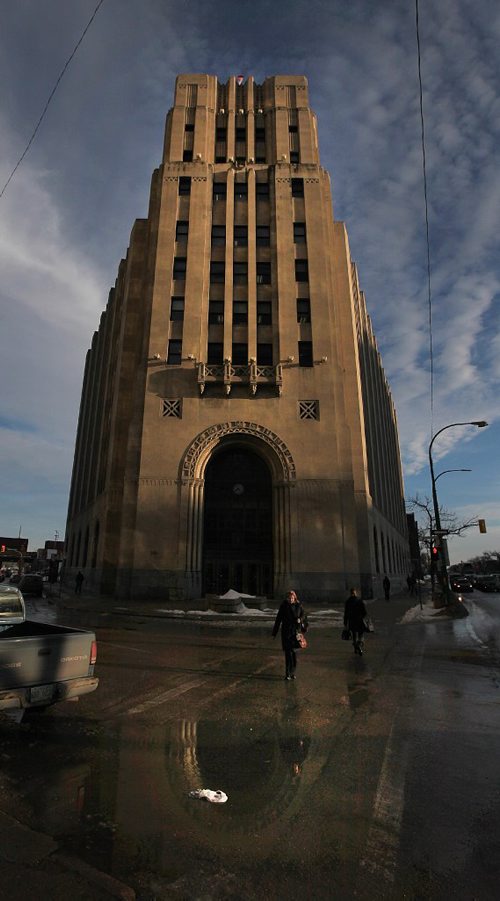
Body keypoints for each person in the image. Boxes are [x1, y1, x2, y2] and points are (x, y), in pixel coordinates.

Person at [272, 590, 307, 680]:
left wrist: (300, 619)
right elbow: (278, 619)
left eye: (292, 598)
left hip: (296, 632)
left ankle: (292, 672)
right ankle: (287, 673)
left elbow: (304, 615)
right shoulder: (283, 606)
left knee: (294, 653)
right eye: (289, 598)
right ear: (287, 598)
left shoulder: (299, 605)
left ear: (295, 598)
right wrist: (274, 632)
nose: (290, 599)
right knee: (288, 653)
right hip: (286, 632)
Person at [344, 588, 368, 656]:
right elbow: (365, 612)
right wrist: (362, 617)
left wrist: (345, 623)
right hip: (359, 620)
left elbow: (346, 613)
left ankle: (355, 648)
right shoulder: (359, 601)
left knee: (354, 634)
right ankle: (359, 645)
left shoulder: (348, 602)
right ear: (355, 593)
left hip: (351, 621)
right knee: (361, 634)